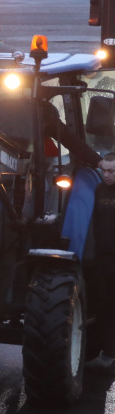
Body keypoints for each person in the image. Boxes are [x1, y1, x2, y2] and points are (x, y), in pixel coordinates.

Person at [88, 153, 115, 369]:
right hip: (102, 258)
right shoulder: (99, 190)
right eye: (104, 171)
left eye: (111, 171)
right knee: (103, 305)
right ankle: (107, 353)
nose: (106, 175)